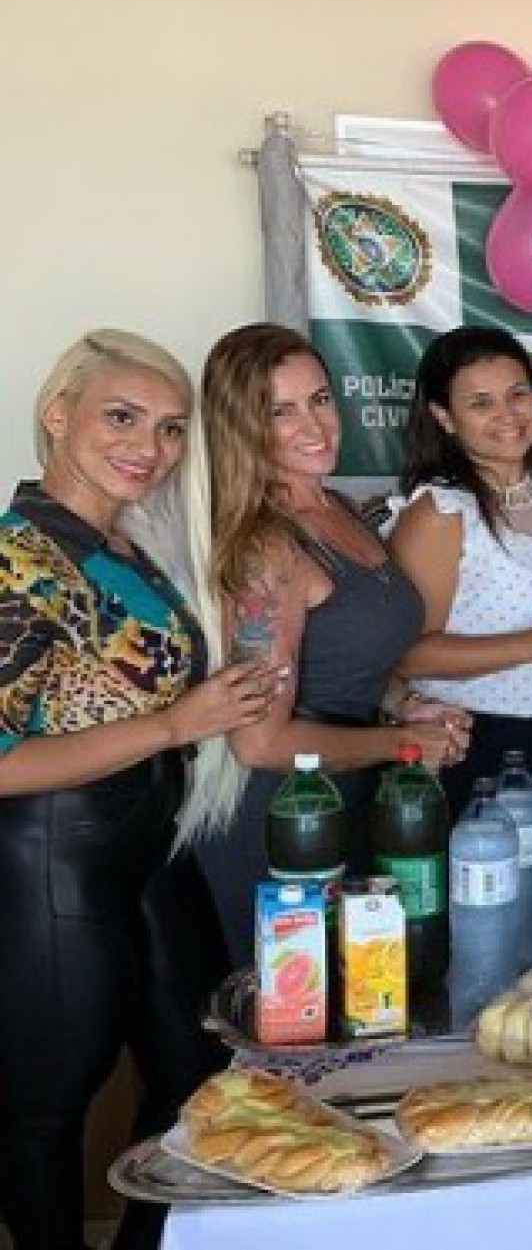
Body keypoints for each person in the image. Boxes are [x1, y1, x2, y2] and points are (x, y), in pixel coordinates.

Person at [0, 332, 277, 1250]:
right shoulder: (16, 559)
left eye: (168, 428)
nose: (149, 447)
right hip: (53, 859)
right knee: (45, 1112)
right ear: (57, 414)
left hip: (149, 847)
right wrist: (174, 724)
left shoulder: (124, 547)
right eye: (123, 417)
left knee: (196, 1069)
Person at [185, 323, 469, 966]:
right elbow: (259, 741)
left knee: (369, 1006)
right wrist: (401, 745)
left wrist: (405, 705)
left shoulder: (337, 505)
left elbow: (350, 652)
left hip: (354, 797)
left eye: (319, 398)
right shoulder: (266, 548)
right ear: (239, 426)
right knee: (304, 1033)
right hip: (285, 824)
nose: (314, 425)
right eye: (279, 411)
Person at [389, 325, 532, 936]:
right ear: (444, 417)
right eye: (480, 402)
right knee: (490, 932)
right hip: (478, 750)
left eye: (517, 394)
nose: (507, 415)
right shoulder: (440, 514)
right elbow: (408, 655)